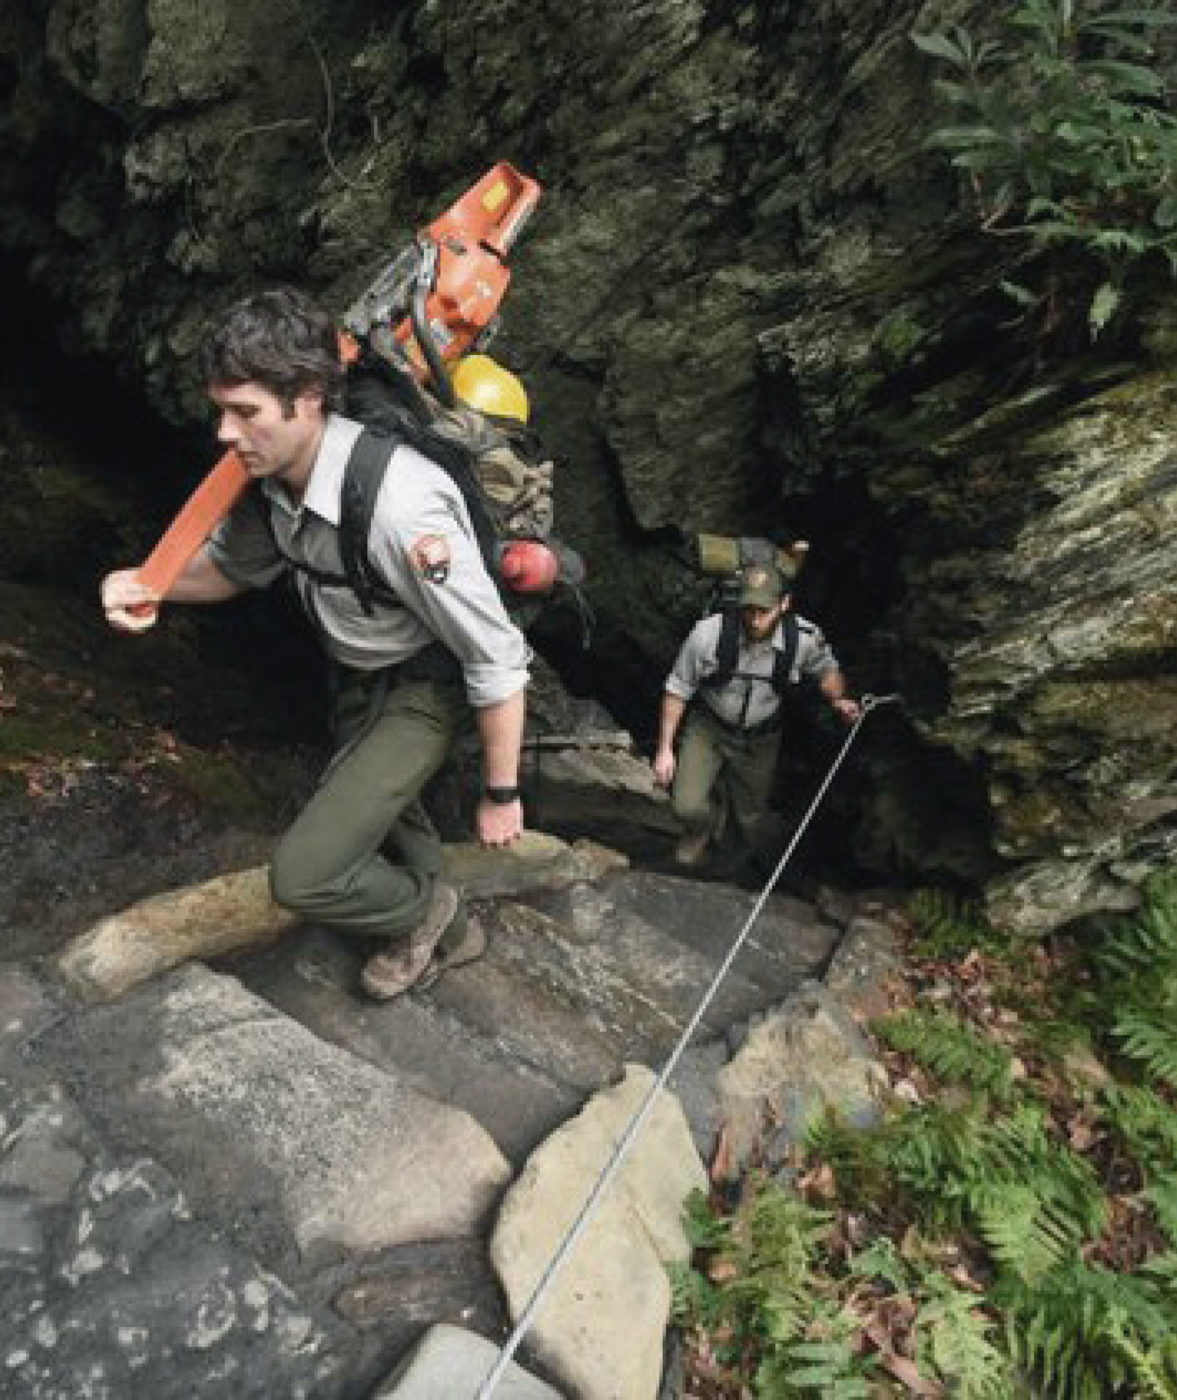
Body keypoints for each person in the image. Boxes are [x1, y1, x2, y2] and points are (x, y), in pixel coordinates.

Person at [100, 287, 530, 1000]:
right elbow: (235, 570)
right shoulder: (269, 478)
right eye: (221, 409)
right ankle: (445, 934)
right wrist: (148, 583)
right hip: (356, 670)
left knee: (304, 874)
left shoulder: (400, 505)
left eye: (245, 413)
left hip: (426, 684)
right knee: (382, 808)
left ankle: (427, 911)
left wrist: (501, 792)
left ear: (305, 398)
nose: (224, 433)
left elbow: (495, 655)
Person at [652, 563, 859, 868]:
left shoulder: (802, 639)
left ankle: (729, 862)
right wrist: (665, 749)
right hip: (709, 727)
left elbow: (827, 670)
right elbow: (677, 689)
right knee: (685, 805)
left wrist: (839, 699)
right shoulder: (708, 635)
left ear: (784, 604)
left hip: (761, 736)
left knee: (749, 817)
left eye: (764, 610)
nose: (755, 619)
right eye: (749, 609)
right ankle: (701, 830)